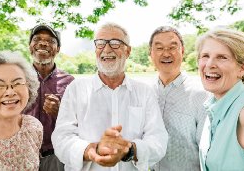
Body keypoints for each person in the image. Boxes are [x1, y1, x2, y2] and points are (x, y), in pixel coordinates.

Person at [51, 22, 168, 171]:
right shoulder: (76, 89)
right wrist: (92, 151)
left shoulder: (144, 92)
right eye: (100, 43)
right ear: (95, 50)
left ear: (128, 51)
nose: (106, 49)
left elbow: (158, 141)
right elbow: (61, 139)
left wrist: (129, 150)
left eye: (115, 43)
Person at [197, 28, 244, 171]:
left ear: (242, 69)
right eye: (205, 56)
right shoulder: (214, 107)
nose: (209, 64)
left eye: (222, 57)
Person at [148, 26, 209, 171]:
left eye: (172, 47)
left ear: (182, 51)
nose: (166, 53)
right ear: (150, 53)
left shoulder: (201, 94)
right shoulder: (146, 92)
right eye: (159, 48)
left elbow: (208, 151)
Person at [23, 24, 74, 170]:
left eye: (51, 41)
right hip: (23, 153)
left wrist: (60, 112)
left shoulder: (70, 82)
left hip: (56, 156)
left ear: (57, 49)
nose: (43, 43)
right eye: (37, 39)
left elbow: (79, 123)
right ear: (30, 46)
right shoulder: (18, 78)